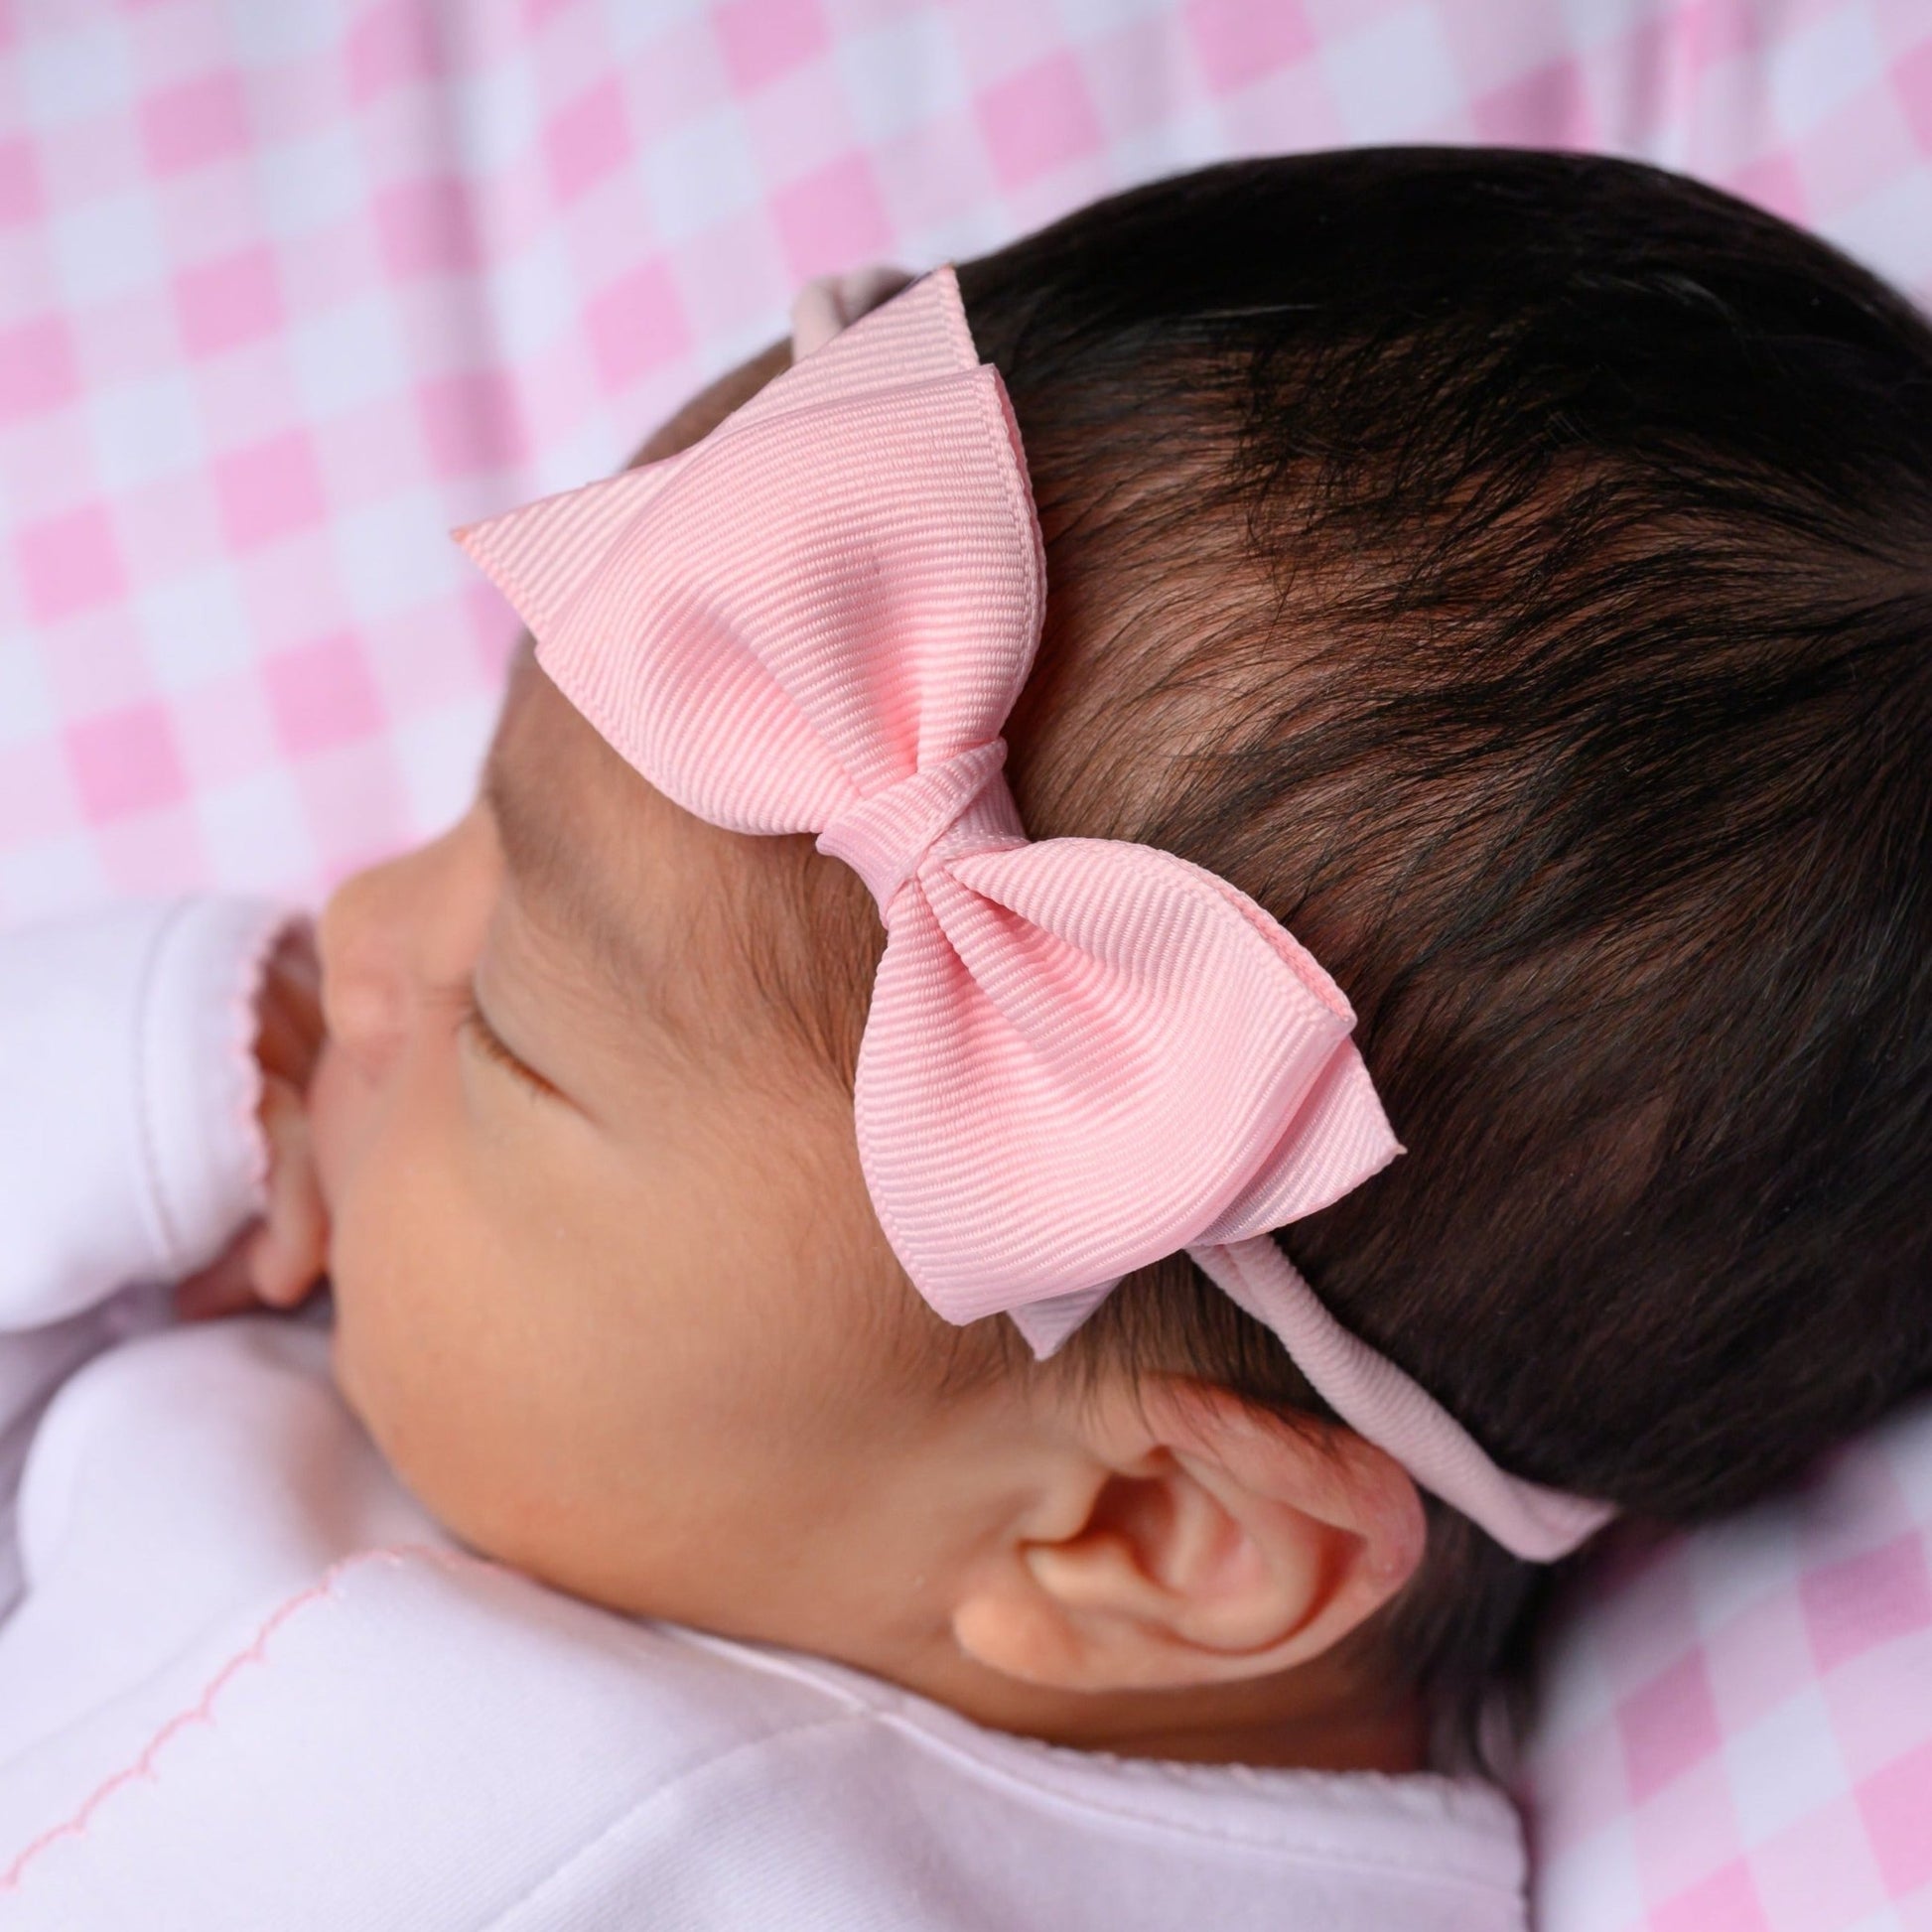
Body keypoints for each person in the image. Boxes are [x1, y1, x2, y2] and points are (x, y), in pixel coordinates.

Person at [0, 150, 1926, 1930]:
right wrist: (144, 1081)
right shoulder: (474, 1410)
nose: (354, 933)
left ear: (1140, 1528)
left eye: (511, 1037)